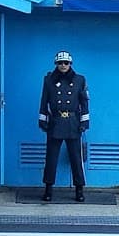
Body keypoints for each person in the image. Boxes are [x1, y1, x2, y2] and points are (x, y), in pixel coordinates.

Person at [38, 50, 90, 202]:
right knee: (51, 158)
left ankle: (79, 189)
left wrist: (84, 122)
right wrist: (43, 119)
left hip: (73, 122)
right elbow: (44, 101)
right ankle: (48, 189)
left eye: (66, 63)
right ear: (56, 64)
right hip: (55, 122)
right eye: (60, 63)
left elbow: (84, 103)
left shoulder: (79, 80)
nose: (63, 65)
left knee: (76, 158)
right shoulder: (49, 80)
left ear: (70, 63)